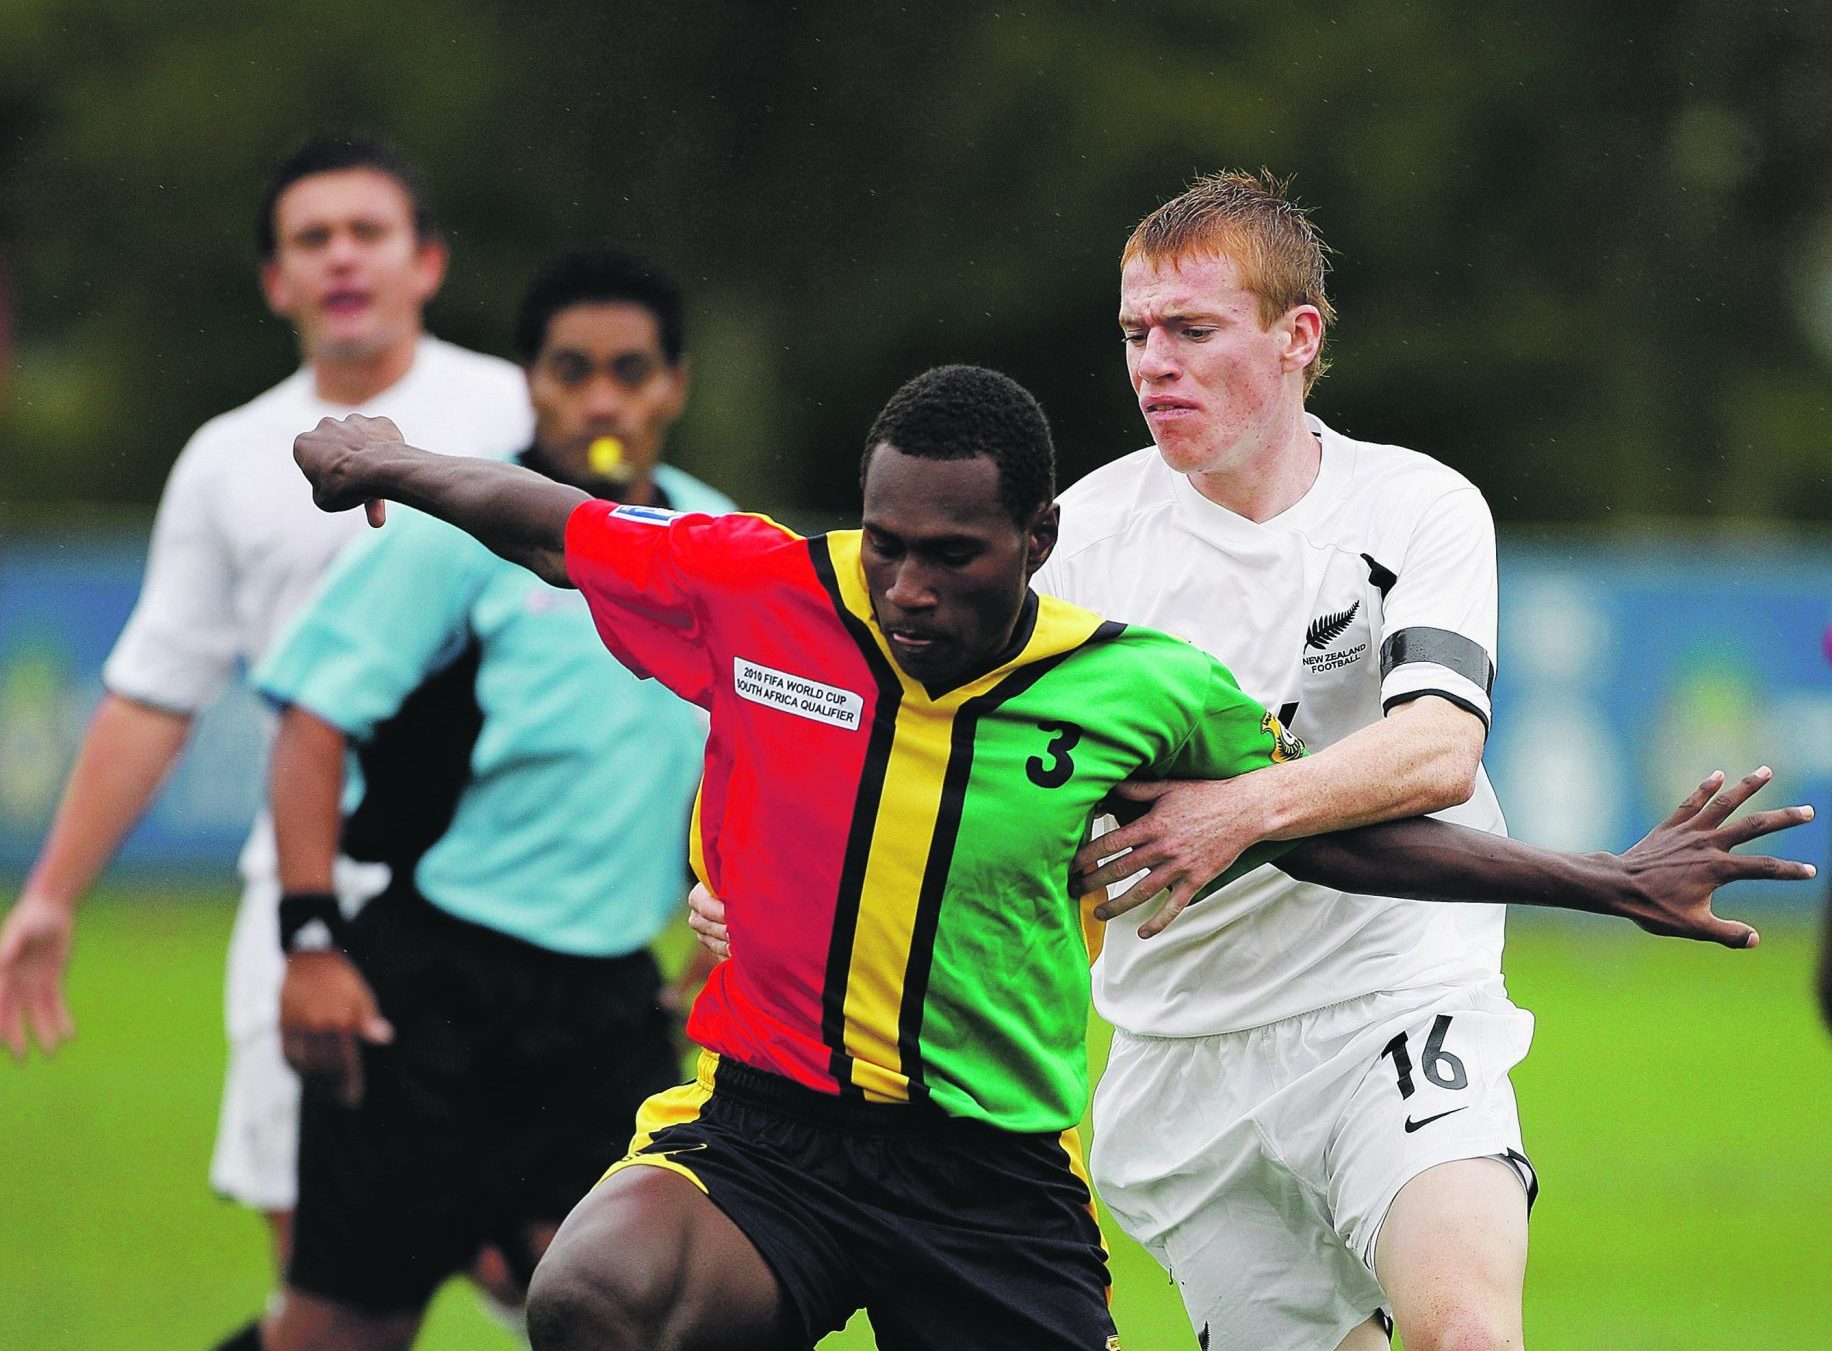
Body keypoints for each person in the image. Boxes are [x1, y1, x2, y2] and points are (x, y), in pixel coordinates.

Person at [286, 363, 1809, 1351]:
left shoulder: (1141, 688)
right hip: (769, 1132)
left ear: (1037, 534)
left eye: (952, 552)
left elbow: (1340, 842)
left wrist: (1603, 879)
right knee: (598, 1293)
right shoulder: (768, 590)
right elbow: (559, 524)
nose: (906, 583)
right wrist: (392, 454)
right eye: (887, 541)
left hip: (989, 1174)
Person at [0, 131, 531, 1307]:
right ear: (276, 280)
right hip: (305, 910)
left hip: (512, 896)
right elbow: (153, 694)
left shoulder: (517, 413)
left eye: (367, 232)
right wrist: (49, 894)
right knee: (333, 1292)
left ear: (426, 262)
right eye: (311, 239)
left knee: (570, 1284)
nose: (341, 257)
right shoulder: (227, 458)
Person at [250, 247, 730, 1351]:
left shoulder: (713, 545)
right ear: (530, 380)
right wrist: (310, 941)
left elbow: (744, 748)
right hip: (430, 990)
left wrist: (724, 922)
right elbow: (311, 718)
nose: (601, 397)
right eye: (571, 369)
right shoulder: (454, 532)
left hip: (610, 1011)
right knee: (344, 1326)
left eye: (628, 369)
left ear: (674, 384)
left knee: (641, 1318)